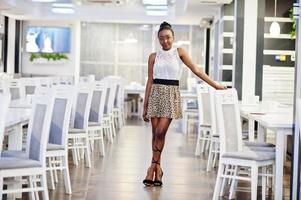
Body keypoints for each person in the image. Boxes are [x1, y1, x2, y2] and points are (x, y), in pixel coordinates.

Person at [142, 21, 225, 187]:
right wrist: (145, 106)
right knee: (154, 134)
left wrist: (215, 85)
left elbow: (196, 69)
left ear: (173, 37)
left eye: (168, 37)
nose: (165, 41)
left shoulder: (179, 52)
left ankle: (152, 167)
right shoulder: (153, 56)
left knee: (160, 133)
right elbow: (150, 81)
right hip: (156, 94)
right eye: (161, 38)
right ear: (158, 39)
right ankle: (158, 170)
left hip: (171, 94)